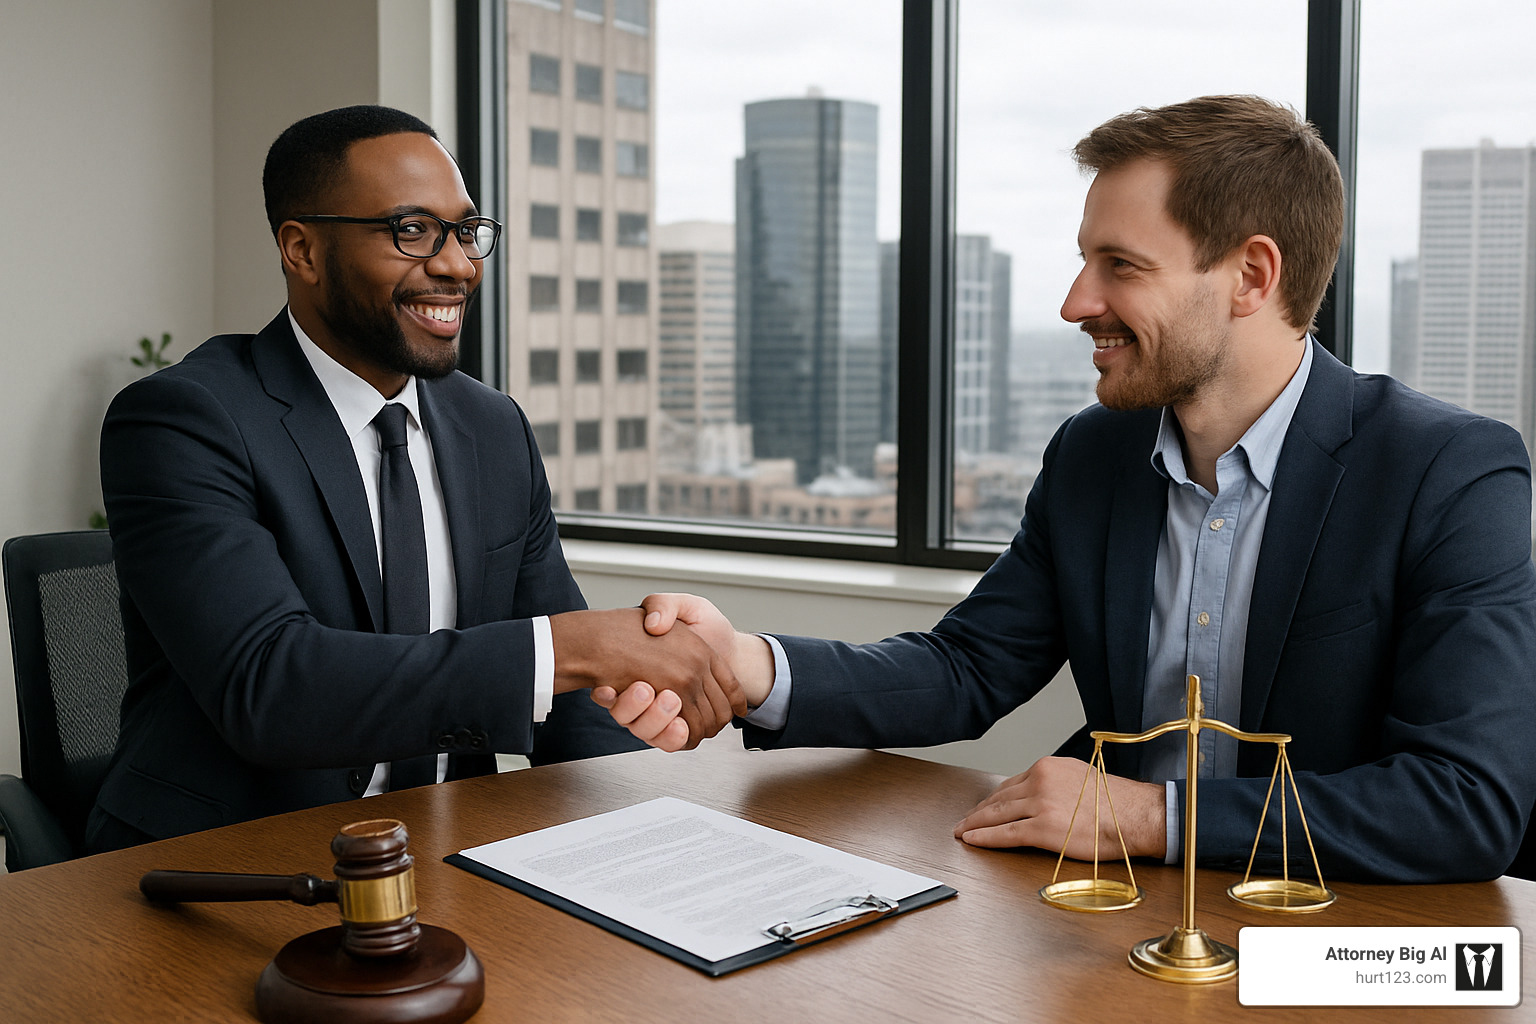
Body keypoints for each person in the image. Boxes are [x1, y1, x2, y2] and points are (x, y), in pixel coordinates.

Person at [602, 95, 1536, 883]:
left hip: (1336, 947)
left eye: (1120, 266)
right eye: (1085, 259)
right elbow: (966, 670)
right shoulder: (1096, 455)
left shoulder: (1448, 474)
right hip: (1106, 928)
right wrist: (750, 666)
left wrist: (1148, 818)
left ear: (1252, 275)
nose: (1076, 302)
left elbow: (1464, 802)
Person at [87, 105, 743, 852]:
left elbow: (568, 706)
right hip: (226, 856)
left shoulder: (493, 428)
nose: (458, 265)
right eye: (411, 231)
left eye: (466, 231)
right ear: (302, 249)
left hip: (446, 844)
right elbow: (269, 686)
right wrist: (570, 648)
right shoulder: (184, 418)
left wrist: (659, 833)